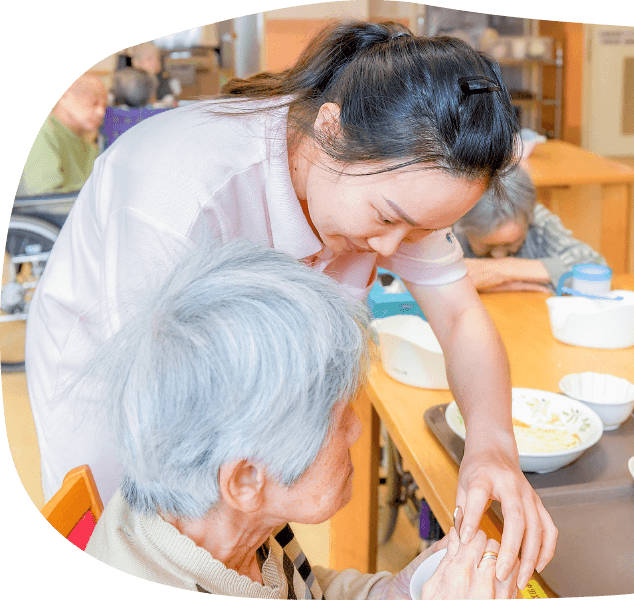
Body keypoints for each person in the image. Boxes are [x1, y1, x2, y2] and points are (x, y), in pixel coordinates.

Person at [26, 20, 556, 591]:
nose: (393, 249)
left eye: (424, 229)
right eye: (386, 217)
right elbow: (155, 407)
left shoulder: (402, 180)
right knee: (153, 534)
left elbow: (460, 316)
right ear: (329, 129)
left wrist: (492, 446)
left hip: (241, 463)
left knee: (255, 553)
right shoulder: (185, 193)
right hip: (117, 370)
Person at [81, 238, 520, 599]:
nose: (356, 428)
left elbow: (306, 591)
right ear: (246, 478)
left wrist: (398, 591)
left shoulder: (221, 522)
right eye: (337, 418)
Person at [453, 164, 608, 293]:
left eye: (509, 244)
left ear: (529, 218)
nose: (498, 255)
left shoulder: (539, 222)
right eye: (487, 245)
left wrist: (506, 269)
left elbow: (595, 265)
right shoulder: (450, 227)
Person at [17, 73, 107, 196]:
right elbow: (44, 199)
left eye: (104, 106)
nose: (101, 112)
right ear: (65, 96)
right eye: (94, 103)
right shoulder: (44, 132)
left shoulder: (89, 137)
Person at [128, 41, 179, 107]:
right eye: (149, 59)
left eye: (157, 58)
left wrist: (167, 101)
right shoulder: (129, 80)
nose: (155, 62)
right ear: (135, 62)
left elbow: (169, 97)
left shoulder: (161, 77)